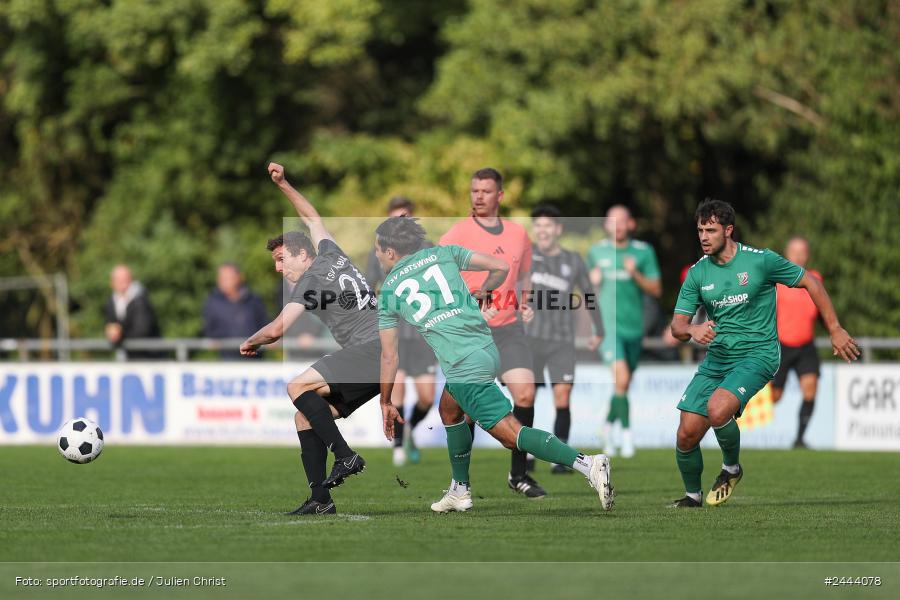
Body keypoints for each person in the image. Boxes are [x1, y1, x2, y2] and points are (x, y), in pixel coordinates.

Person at [373, 216, 613, 513]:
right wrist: (485, 290)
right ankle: (459, 490)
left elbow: (389, 356)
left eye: (377, 249)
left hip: (464, 364)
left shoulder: (389, 291)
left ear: (390, 252)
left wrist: (385, 401)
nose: (376, 255)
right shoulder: (443, 253)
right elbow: (500, 267)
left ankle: (588, 464)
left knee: (512, 436)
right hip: (486, 348)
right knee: (449, 410)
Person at [669, 199, 859, 508]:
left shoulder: (761, 261)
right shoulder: (697, 273)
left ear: (728, 230)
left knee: (718, 409)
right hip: (718, 358)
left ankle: (731, 468)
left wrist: (835, 328)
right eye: (700, 230)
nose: (704, 237)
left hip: (758, 354)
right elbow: (677, 326)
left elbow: (811, 282)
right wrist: (692, 330)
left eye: (711, 230)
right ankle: (692, 497)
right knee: (686, 434)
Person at [240, 162, 381, 517]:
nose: (278, 268)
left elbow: (276, 330)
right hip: (381, 356)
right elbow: (312, 217)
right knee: (305, 417)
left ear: (303, 254)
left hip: (373, 349)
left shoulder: (311, 280)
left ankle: (345, 456)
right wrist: (283, 183)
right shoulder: (333, 254)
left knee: (296, 386)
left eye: (281, 259)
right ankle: (321, 500)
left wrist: (251, 341)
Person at [439, 168, 544, 498]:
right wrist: (466, 306)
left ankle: (519, 475)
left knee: (525, 394)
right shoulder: (457, 233)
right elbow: (437, 277)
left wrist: (525, 303)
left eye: (485, 191)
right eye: (474, 190)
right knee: (467, 412)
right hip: (469, 332)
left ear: (500, 195)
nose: (479, 196)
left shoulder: (518, 234)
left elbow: (524, 276)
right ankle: (461, 484)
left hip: (509, 329)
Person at [525, 204, 604, 473]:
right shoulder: (525, 257)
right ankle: (526, 453)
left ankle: (561, 457)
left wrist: (599, 330)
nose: (542, 230)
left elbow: (589, 294)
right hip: (529, 338)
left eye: (547, 225)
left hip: (561, 340)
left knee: (563, 395)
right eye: (538, 225)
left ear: (558, 229)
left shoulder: (573, 260)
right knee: (526, 396)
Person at [366, 197, 438, 467]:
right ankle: (398, 447)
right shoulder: (379, 251)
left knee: (427, 397)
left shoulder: (428, 248)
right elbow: (368, 288)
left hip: (423, 333)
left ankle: (408, 430)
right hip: (395, 332)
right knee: (397, 394)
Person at [586, 205, 661, 458]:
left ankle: (607, 428)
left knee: (623, 384)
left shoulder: (643, 251)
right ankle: (627, 436)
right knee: (622, 377)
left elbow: (656, 289)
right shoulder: (596, 252)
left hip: (634, 328)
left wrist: (635, 274)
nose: (617, 226)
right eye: (612, 221)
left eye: (622, 221)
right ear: (606, 225)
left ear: (631, 224)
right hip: (607, 327)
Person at [771, 236, 822, 448]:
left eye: (802, 252)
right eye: (795, 252)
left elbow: (823, 308)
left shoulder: (815, 278)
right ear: (787, 254)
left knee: (810, 389)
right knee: (775, 396)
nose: (799, 256)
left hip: (806, 345)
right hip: (781, 346)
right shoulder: (777, 281)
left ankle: (800, 439)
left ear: (807, 255)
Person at [203, 263, 269, 360]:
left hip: (255, 357)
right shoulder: (213, 302)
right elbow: (209, 329)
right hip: (227, 358)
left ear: (239, 278)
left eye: (227, 278)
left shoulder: (254, 300)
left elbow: (264, 323)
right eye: (221, 278)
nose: (222, 282)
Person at [103, 265, 162, 359]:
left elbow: (142, 330)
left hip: (149, 356)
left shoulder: (141, 300)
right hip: (128, 356)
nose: (122, 283)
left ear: (131, 279)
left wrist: (120, 335)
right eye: (118, 280)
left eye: (124, 279)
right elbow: (111, 323)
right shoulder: (112, 301)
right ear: (112, 282)